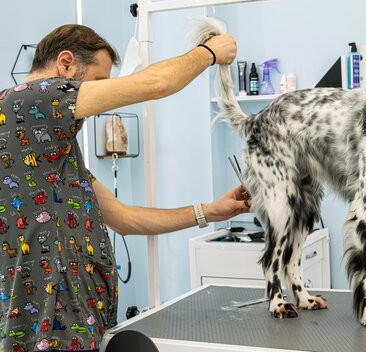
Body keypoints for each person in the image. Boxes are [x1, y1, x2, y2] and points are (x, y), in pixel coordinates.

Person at [0, 24, 247, 351]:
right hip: (50, 331)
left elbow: (125, 219)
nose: (104, 96)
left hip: (73, 327)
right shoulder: (31, 99)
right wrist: (210, 53)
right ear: (66, 64)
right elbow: (157, 83)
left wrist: (213, 212)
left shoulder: (46, 152)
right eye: (101, 82)